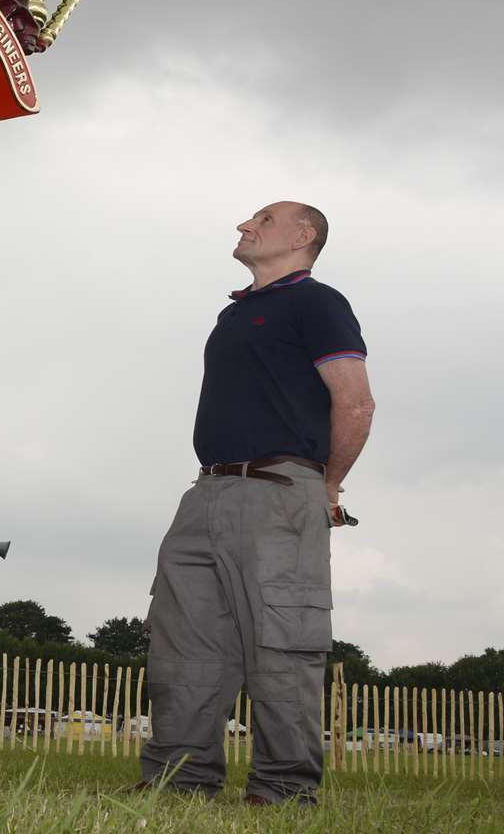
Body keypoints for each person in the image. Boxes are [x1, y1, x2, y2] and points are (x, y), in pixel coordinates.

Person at [138, 201, 375, 805]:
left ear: (303, 236)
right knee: (183, 643)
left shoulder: (318, 303)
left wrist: (327, 486)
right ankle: (178, 783)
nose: (244, 226)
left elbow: (355, 402)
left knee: (283, 641)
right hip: (206, 491)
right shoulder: (234, 314)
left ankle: (284, 791)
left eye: (262, 220)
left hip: (280, 490)